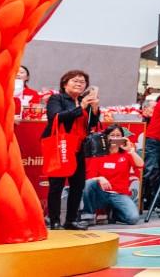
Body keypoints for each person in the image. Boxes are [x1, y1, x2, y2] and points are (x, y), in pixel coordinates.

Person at [43, 70, 99, 230]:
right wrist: (80, 107)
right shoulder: (57, 98)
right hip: (60, 145)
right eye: (75, 81)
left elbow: (91, 124)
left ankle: (71, 220)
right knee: (57, 185)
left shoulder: (83, 100)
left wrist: (94, 109)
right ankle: (54, 220)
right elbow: (56, 117)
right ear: (65, 83)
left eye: (82, 82)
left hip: (79, 146)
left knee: (78, 184)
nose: (79, 84)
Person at [80, 127, 143, 226]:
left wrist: (131, 151)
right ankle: (88, 215)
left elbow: (141, 165)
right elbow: (90, 178)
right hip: (100, 194)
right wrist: (100, 178)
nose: (115, 138)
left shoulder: (126, 154)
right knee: (89, 183)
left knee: (133, 218)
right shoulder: (98, 154)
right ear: (106, 137)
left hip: (119, 194)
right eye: (112, 135)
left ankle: (115, 214)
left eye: (118, 135)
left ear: (123, 138)